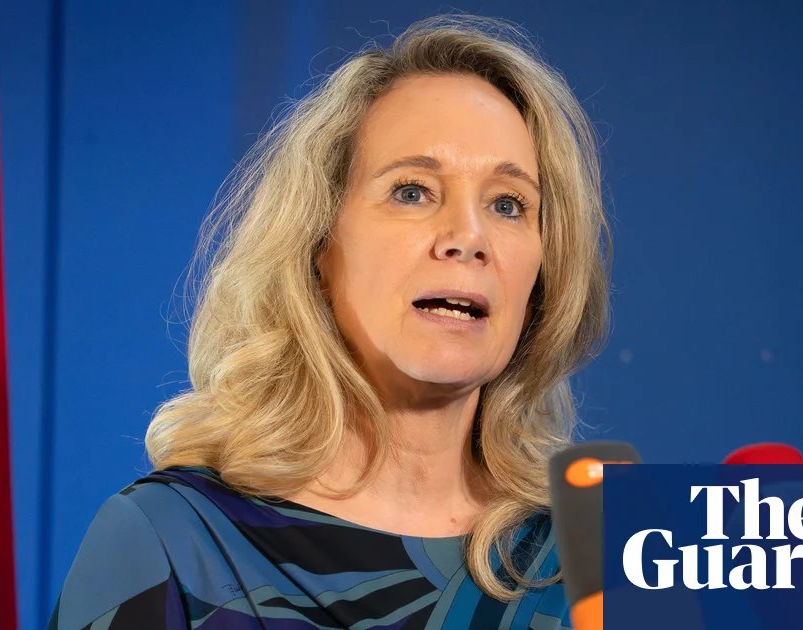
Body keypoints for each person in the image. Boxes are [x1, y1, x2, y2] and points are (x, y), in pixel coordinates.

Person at [49, 13, 609, 629]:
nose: (468, 236)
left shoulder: (624, 554)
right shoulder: (174, 542)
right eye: (413, 191)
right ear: (318, 246)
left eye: (508, 204)